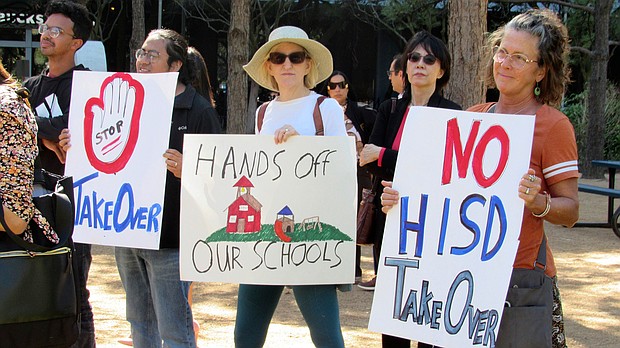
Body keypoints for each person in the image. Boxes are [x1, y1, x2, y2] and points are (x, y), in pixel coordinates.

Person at [381, 10, 579, 348]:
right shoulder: (472, 117)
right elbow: (442, 194)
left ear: (541, 70)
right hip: (460, 276)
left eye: (520, 57)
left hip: (519, 282)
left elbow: (571, 211)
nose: (505, 63)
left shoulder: (554, 126)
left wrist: (539, 202)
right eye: (502, 51)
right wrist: (401, 201)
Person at [236, 25, 348, 348]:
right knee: (245, 335)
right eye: (278, 57)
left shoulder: (325, 108)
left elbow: (341, 169)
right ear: (269, 66)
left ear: (308, 64)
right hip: (266, 232)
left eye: (295, 57)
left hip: (311, 233)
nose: (287, 64)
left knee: (327, 337)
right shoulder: (262, 114)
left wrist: (303, 147)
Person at [114, 29, 222, 348]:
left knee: (175, 331)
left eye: (152, 54)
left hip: (171, 241)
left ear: (175, 65)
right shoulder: (124, 102)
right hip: (127, 233)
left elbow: (218, 176)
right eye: (141, 53)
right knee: (140, 325)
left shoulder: (199, 110)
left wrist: (188, 170)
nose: (143, 60)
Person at [358, 31, 461, 348]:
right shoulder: (389, 109)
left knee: (430, 312)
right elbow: (367, 161)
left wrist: (387, 155)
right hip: (391, 219)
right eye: (414, 58)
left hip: (434, 224)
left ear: (440, 69)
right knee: (395, 312)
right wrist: (385, 160)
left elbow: (443, 167)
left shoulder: (452, 113)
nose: (420, 64)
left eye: (429, 59)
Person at [22, 1, 96, 347]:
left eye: (56, 30)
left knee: (75, 292)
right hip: (30, 202)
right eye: (44, 28)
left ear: (76, 42)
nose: (46, 35)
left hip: (74, 205)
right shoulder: (28, 87)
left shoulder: (88, 86)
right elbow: (16, 127)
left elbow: (81, 135)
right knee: (34, 289)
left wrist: (47, 131)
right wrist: (46, 132)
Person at [324, 70, 376, 283]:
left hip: (358, 170)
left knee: (357, 217)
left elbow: (377, 129)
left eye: (341, 85)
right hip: (329, 172)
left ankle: (355, 270)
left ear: (347, 87)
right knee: (332, 217)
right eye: (332, 86)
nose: (337, 89)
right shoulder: (322, 111)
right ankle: (332, 266)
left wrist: (365, 149)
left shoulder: (358, 111)